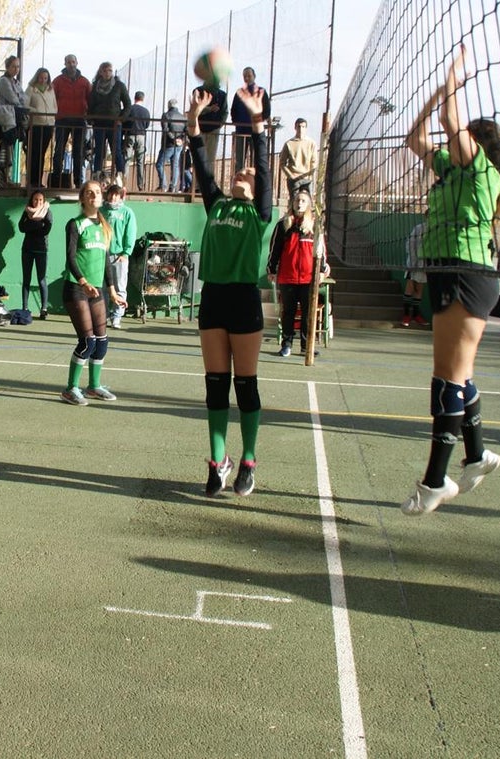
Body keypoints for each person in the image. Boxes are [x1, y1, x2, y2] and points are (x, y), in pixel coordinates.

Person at [401, 43, 500, 516]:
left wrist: (455, 76)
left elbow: (454, 126)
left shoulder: (479, 170)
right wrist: (439, 93)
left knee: (446, 379)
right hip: (446, 270)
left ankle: (436, 481)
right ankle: (476, 455)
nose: (450, 143)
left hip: (467, 272)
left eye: (461, 139)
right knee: (457, 374)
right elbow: (415, 138)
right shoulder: (451, 170)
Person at [187, 84, 271, 497]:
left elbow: (264, 165)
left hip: (243, 299)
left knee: (246, 385)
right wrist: (193, 119)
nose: (242, 173)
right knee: (215, 384)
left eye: (248, 173)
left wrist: (257, 123)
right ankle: (218, 461)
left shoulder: (260, 212)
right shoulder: (217, 203)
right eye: (238, 170)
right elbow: (201, 160)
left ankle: (249, 460)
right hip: (213, 297)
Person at [60, 180, 125, 406]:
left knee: (102, 341)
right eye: (89, 193)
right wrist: (83, 281)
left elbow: (107, 263)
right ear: (82, 198)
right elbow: (70, 257)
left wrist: (113, 292)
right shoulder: (75, 224)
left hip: (96, 290)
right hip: (76, 288)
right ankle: (70, 389)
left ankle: (94, 387)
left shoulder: (104, 226)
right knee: (87, 341)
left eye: (97, 192)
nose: (94, 196)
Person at [267, 189, 329, 357]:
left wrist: (323, 270)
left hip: (308, 278)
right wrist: (271, 269)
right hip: (288, 277)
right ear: (292, 203)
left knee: (308, 313)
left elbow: (320, 250)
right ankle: (286, 344)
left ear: (308, 204)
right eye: (297, 200)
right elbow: (275, 249)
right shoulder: (284, 224)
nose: (299, 203)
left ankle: (305, 345)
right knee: (288, 312)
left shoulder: (314, 225)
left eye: (303, 201)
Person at [88, 62, 131, 184]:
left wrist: (121, 119)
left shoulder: (119, 86)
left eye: (110, 70)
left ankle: (121, 177)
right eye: (105, 70)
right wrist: (90, 118)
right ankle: (96, 176)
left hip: (114, 125)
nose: (108, 73)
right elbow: (91, 104)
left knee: (116, 150)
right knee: (99, 151)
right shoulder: (95, 87)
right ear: (100, 72)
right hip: (99, 124)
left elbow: (128, 105)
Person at [52, 54, 91, 188]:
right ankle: (56, 180)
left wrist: (89, 115)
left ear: (77, 62)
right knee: (59, 151)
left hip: (80, 120)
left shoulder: (84, 82)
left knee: (78, 152)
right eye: (68, 62)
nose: (71, 64)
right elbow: (52, 98)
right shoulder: (57, 81)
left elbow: (90, 99)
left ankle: (79, 182)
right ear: (65, 64)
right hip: (62, 119)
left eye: (73, 61)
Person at [102, 183, 137, 329]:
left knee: (120, 287)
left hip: (119, 256)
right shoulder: (100, 211)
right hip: (102, 255)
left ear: (120, 196)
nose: (113, 197)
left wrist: (125, 253)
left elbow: (131, 233)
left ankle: (117, 317)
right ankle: (103, 316)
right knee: (103, 287)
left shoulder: (127, 212)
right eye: (111, 194)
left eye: (116, 194)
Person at [19, 189, 53, 319]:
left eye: (40, 200)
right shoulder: (26, 211)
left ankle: (44, 309)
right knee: (26, 279)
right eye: (35, 199)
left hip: (41, 250)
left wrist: (32, 224)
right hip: (27, 249)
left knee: (42, 279)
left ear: (43, 201)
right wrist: (38, 224)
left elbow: (46, 230)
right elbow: (22, 228)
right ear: (31, 200)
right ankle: (25, 308)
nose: (38, 202)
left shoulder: (48, 212)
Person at [229, 66, 271, 172]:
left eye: (249, 75)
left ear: (254, 76)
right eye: (244, 76)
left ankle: (255, 185)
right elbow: (233, 110)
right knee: (239, 160)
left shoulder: (261, 92)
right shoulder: (239, 93)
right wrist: (237, 122)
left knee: (256, 159)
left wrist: (259, 122)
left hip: (256, 131)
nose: (247, 78)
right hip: (241, 131)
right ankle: (239, 185)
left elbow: (267, 110)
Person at [0, 55, 28, 186]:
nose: (16, 69)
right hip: (7, 118)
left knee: (13, 148)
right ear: (7, 67)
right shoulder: (3, 81)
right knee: (7, 147)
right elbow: (13, 98)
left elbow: (23, 99)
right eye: (13, 66)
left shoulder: (16, 82)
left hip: (15, 119)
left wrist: (20, 100)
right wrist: (20, 99)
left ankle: (9, 178)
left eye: (18, 66)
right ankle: (5, 178)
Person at [191, 81, 227, 190]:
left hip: (214, 130)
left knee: (210, 159)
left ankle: (207, 185)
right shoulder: (198, 91)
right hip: (199, 130)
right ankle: (196, 186)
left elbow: (225, 112)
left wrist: (219, 125)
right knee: (198, 157)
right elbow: (194, 109)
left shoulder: (222, 94)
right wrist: (208, 109)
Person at [25, 67, 57, 188]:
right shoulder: (31, 89)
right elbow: (25, 105)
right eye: (41, 77)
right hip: (36, 125)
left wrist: (52, 116)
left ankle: (38, 180)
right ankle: (31, 180)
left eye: (45, 78)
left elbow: (54, 106)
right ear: (37, 77)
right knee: (34, 153)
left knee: (42, 153)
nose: (43, 80)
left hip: (48, 125)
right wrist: (36, 111)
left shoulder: (50, 90)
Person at [279, 117, 318, 198]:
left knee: (306, 203)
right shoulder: (289, 143)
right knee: (294, 203)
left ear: (306, 128)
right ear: (295, 127)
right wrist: (290, 175)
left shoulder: (311, 143)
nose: (301, 129)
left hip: (306, 179)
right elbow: (282, 163)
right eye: (299, 126)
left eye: (303, 127)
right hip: (293, 179)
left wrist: (310, 174)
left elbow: (314, 162)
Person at [401, 221, 429, 327]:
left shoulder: (437, 229)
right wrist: (413, 262)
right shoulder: (418, 228)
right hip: (413, 263)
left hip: (425, 265)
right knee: (410, 287)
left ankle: (416, 315)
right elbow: (410, 244)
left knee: (419, 288)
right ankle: (406, 315)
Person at [156, 98, 187, 192]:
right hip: (179, 145)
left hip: (169, 144)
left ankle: (163, 185)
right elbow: (186, 131)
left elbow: (165, 130)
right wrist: (181, 140)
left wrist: (173, 139)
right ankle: (173, 187)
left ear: (168, 105)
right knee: (175, 165)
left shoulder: (166, 115)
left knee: (159, 164)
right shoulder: (183, 117)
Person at [124, 90, 151, 191]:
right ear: (142, 99)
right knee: (140, 161)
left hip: (130, 135)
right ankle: (141, 186)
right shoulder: (146, 111)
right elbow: (147, 125)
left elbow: (124, 122)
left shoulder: (129, 109)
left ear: (134, 98)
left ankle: (124, 184)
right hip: (141, 136)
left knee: (127, 160)